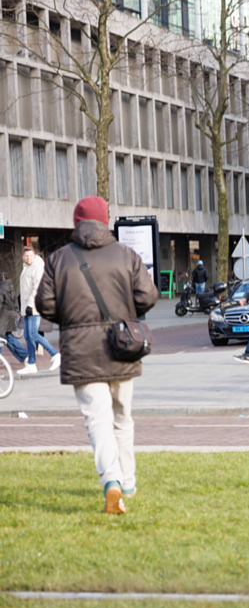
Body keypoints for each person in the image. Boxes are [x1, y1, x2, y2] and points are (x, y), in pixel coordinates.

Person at [34, 196, 159, 514]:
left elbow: (45, 305)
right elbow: (148, 295)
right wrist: (127, 313)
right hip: (123, 347)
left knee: (97, 421)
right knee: (122, 418)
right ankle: (127, 482)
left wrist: (73, 321)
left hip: (82, 351)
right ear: (105, 220)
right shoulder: (126, 254)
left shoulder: (59, 258)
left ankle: (111, 482)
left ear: (76, 222)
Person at [17, 245, 60, 374]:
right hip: (27, 307)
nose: (28, 258)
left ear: (35, 255)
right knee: (27, 336)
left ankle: (55, 355)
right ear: (23, 257)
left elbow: (37, 287)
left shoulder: (37, 267)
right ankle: (31, 364)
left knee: (34, 334)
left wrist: (30, 305)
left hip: (34, 307)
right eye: (26, 256)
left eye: (30, 255)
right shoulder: (26, 267)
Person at [0, 271, 28, 365]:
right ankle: (24, 356)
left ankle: (24, 355)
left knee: (1, 338)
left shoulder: (1, 288)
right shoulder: (10, 287)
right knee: (9, 338)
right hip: (10, 315)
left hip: (2, 317)